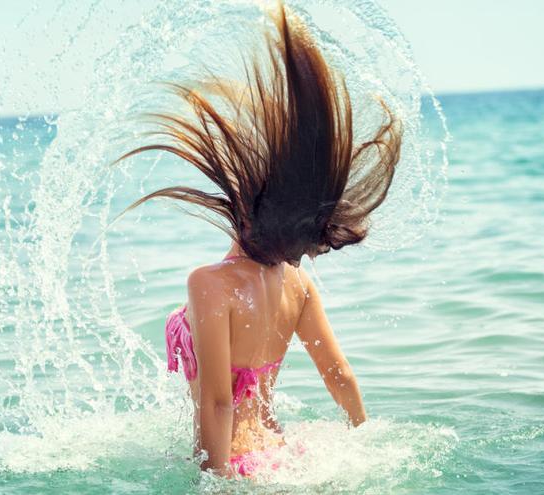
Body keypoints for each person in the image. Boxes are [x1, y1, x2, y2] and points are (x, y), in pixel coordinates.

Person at [117, 1, 402, 478]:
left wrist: (213, 482)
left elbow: (216, 400)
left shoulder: (210, 283)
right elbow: (340, 377)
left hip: (239, 468)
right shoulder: (298, 283)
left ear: (243, 204)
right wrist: (365, 443)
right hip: (283, 454)